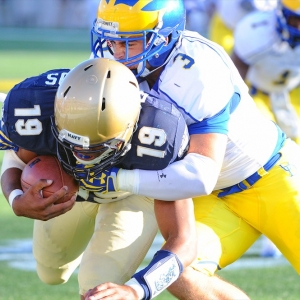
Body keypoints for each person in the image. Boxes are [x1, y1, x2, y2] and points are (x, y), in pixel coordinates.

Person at [86, 0, 300, 299]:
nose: (117, 54)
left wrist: (115, 179)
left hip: (275, 178)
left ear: (166, 37)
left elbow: (201, 174)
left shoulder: (199, 67)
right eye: (111, 41)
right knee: (180, 274)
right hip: (216, 197)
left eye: (131, 42)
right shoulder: (116, 69)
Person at [0, 58, 197, 300]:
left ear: (129, 129)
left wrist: (138, 290)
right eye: (71, 144)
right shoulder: (34, 107)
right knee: (51, 272)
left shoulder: (160, 135)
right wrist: (16, 199)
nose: (82, 156)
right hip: (70, 194)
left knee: (97, 289)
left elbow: (184, 241)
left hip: (132, 195)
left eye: (94, 149)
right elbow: (17, 158)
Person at [231, 0, 300, 144]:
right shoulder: (257, 32)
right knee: (264, 141)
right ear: (283, 13)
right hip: (255, 92)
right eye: (296, 19)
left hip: (290, 91)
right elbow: (234, 77)